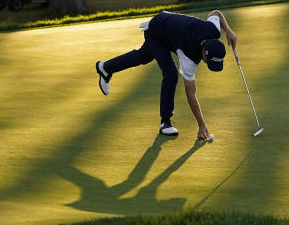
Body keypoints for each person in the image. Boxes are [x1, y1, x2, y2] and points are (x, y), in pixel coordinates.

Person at [95, 10, 238, 139]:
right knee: (171, 75)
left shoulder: (213, 30)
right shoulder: (188, 58)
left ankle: (105, 67)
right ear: (203, 53)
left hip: (168, 25)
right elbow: (191, 94)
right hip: (156, 30)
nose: (208, 65)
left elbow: (216, 13)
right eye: (209, 62)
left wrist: (229, 31)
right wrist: (201, 125)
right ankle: (165, 123)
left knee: (143, 56)